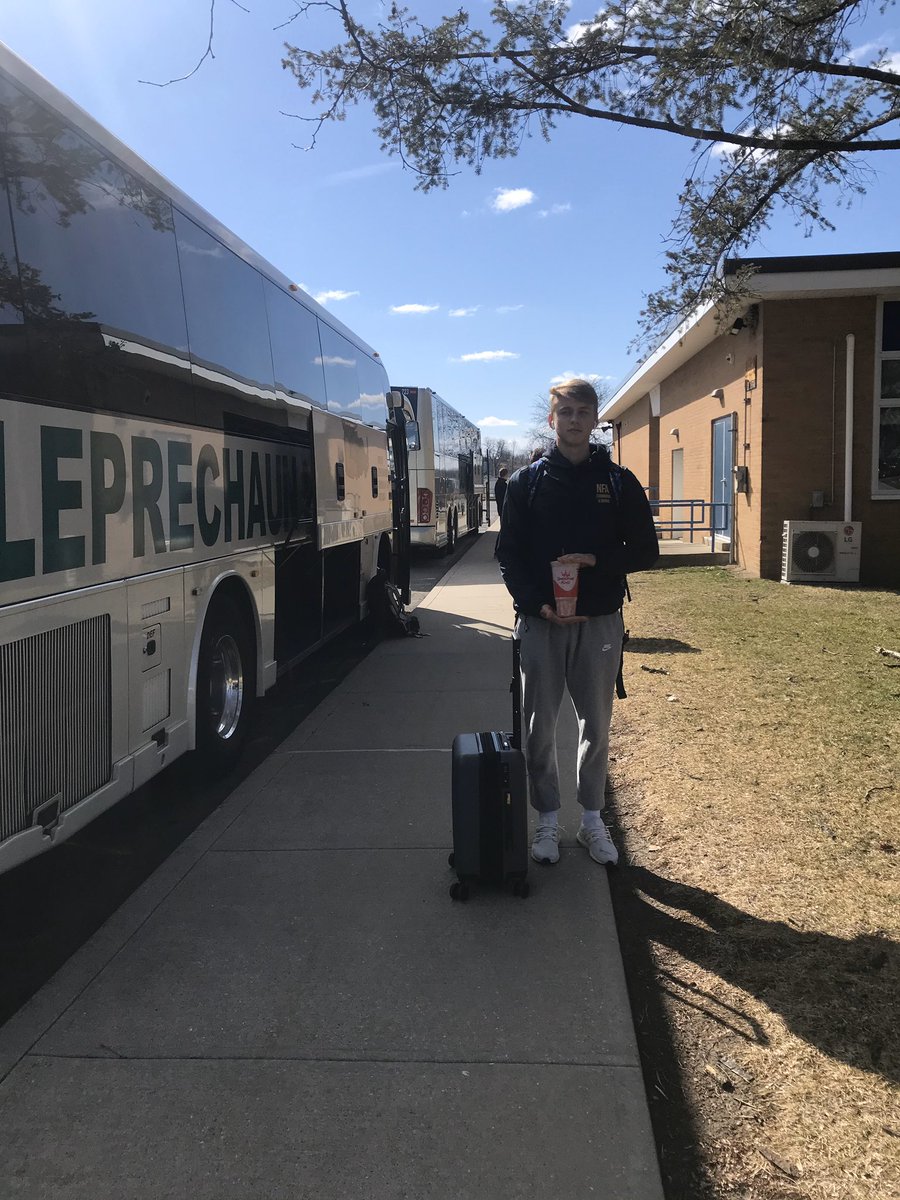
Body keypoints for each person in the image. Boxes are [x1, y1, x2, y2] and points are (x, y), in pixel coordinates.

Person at [496, 378, 659, 866]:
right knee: (538, 729)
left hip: (600, 622)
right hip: (542, 624)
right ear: (552, 420)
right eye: (564, 412)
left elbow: (646, 552)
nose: (573, 420)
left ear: (594, 420)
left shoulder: (617, 482)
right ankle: (547, 821)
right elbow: (509, 556)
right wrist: (533, 604)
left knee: (597, 726)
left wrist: (598, 560)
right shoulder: (528, 483)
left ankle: (592, 821)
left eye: (582, 412)